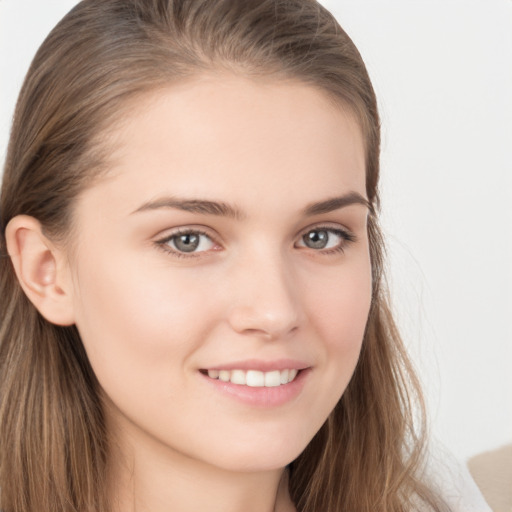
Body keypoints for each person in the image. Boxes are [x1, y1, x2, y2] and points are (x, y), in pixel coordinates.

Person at [0, 1, 467, 511]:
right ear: (46, 271)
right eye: (188, 240)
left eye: (320, 236)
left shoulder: (432, 496)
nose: (275, 311)